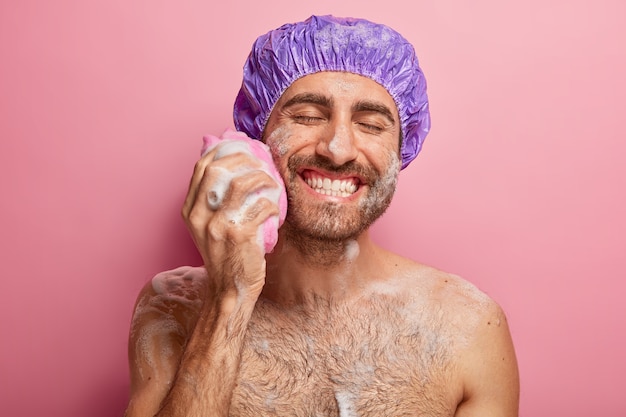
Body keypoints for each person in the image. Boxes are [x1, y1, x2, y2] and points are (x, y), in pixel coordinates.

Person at [124, 15, 520, 417]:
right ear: (257, 137)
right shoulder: (176, 308)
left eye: (370, 124)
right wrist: (230, 299)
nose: (338, 148)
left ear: (400, 152)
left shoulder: (469, 329)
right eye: (308, 115)